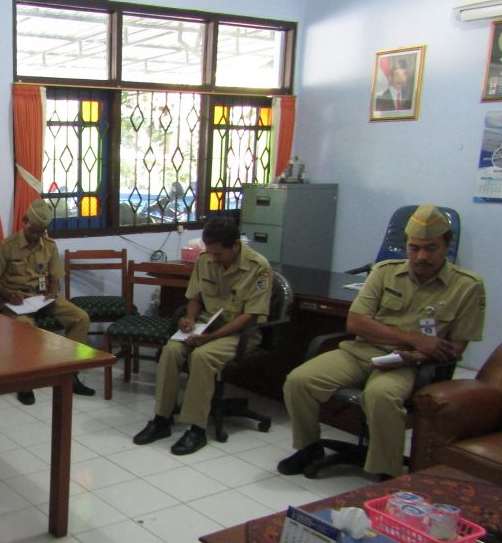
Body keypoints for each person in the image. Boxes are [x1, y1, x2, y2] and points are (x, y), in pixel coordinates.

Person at [279, 204, 486, 478]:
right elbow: (356, 322)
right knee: (299, 381)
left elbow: (457, 346)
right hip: (360, 351)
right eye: (414, 248)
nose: (421, 256)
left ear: (446, 246)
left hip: (408, 363)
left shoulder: (467, 286)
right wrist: (414, 339)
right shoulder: (384, 272)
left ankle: (386, 471)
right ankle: (309, 448)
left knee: (380, 395)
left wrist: (419, 354)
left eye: (431, 248)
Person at [133, 217, 271, 455]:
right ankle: (162, 419)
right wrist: (189, 320)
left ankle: (197, 429)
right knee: (171, 350)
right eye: (211, 252)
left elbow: (249, 315)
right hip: (205, 325)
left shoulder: (258, 267)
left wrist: (210, 337)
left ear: (235, 245)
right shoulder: (204, 259)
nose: (213, 258)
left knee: (202, 356)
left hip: (240, 333)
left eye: (218, 254)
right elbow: (195, 297)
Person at [0, 198, 95, 403]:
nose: (36, 236)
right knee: (25, 327)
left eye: (40, 232)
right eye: (33, 230)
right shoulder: (6, 247)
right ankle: (25, 384)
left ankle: (70, 376)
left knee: (81, 318)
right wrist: (8, 294)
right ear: (24, 221)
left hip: (43, 299)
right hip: (17, 301)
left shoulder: (49, 246)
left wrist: (53, 291)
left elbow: (55, 277)